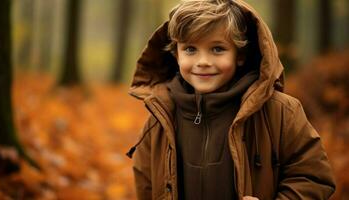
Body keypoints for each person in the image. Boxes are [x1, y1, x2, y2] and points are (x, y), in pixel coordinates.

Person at [126, 0, 336, 199]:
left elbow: (314, 177)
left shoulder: (279, 111)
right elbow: (147, 186)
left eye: (217, 49)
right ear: (176, 54)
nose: (203, 62)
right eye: (190, 49)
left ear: (240, 55)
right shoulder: (160, 119)